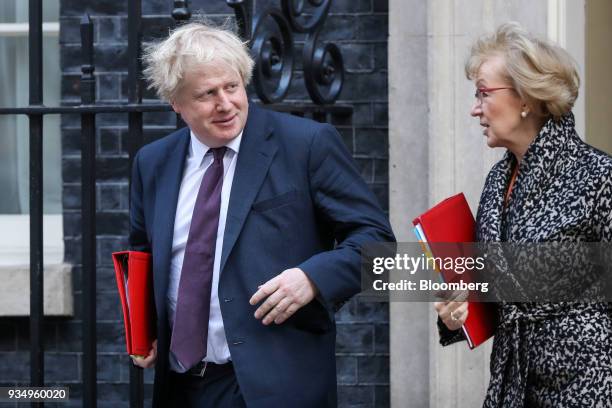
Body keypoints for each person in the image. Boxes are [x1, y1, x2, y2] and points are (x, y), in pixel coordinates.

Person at [128, 21, 395, 408]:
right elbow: (142, 253)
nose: (225, 104)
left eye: (232, 87)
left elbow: (379, 245)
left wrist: (312, 278)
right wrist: (145, 326)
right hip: (181, 385)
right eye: (206, 94)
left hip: (276, 386)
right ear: (176, 102)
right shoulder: (152, 163)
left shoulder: (306, 145)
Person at [434, 22, 612, 407]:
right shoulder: (498, 179)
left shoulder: (598, 175)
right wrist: (457, 313)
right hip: (512, 384)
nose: (474, 107)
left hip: (586, 385)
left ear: (527, 98)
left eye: (483, 93)